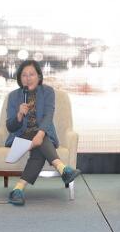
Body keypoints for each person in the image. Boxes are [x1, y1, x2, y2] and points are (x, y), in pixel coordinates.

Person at [5, 59, 81, 205]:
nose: (28, 78)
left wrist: (40, 134)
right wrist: (19, 115)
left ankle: (17, 190)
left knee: (39, 149)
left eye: (31, 74)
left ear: (39, 76)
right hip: (21, 135)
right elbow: (10, 127)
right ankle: (62, 169)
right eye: (24, 75)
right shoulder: (14, 96)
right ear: (20, 78)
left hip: (43, 135)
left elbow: (48, 115)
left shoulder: (47, 92)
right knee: (39, 142)